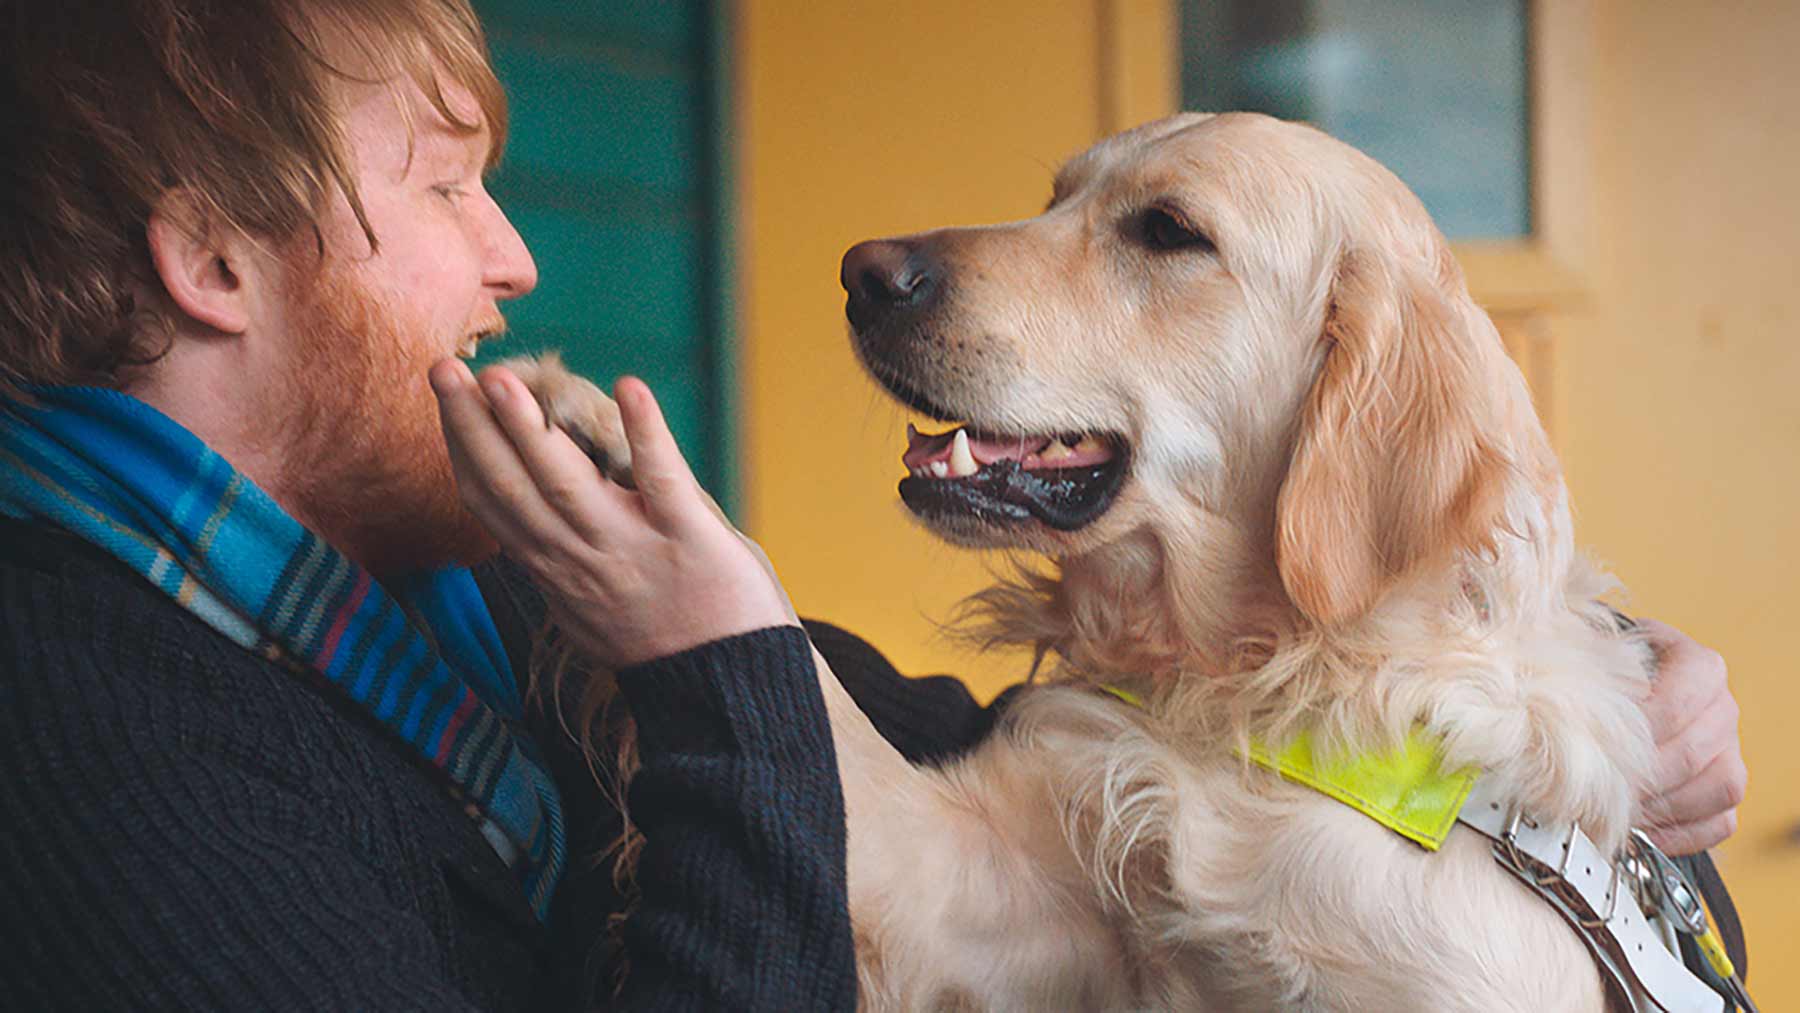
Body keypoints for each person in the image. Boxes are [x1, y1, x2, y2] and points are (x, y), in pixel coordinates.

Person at [0, 1, 1744, 1011]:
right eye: (450, 188)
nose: (519, 256)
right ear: (212, 259)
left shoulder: (471, 591)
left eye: (1151, 235)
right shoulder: (100, 768)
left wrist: (1627, 762)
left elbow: (973, 812)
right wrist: (716, 668)